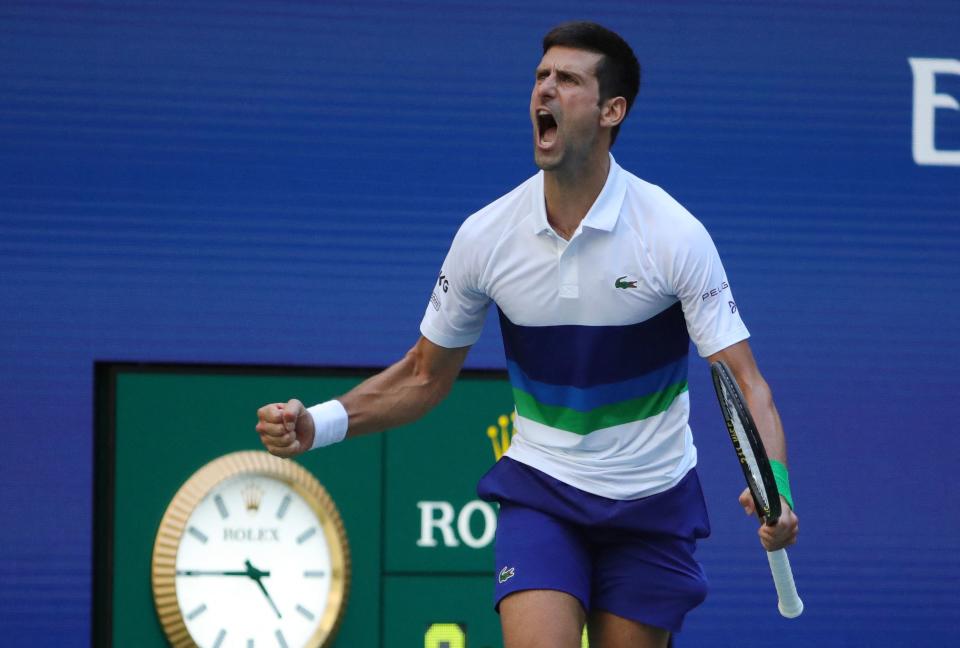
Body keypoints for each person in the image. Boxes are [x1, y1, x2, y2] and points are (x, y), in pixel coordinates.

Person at [256, 21, 799, 648]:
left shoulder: (673, 236)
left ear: (610, 111)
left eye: (567, 80)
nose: (544, 89)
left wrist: (776, 487)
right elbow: (424, 375)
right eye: (541, 76)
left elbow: (747, 384)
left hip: (651, 502)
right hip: (544, 491)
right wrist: (316, 422)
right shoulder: (485, 237)